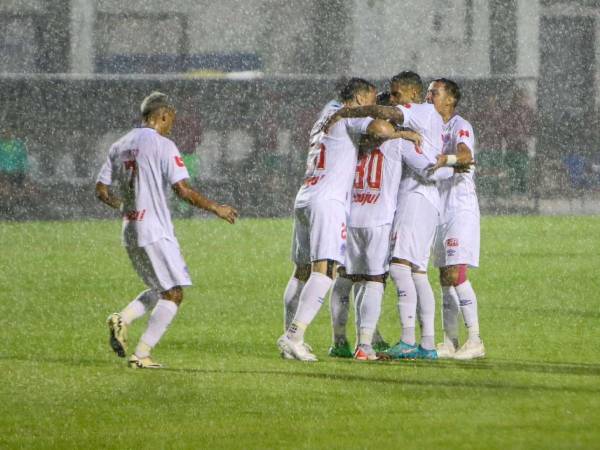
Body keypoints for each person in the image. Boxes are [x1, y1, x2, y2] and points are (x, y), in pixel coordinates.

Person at [96, 91, 238, 369]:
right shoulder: (163, 145)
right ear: (162, 115)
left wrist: (122, 204)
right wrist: (216, 208)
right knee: (174, 294)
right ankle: (141, 354)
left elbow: (101, 190)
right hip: (155, 229)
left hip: (130, 228)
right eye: (171, 118)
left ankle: (123, 319)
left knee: (160, 287)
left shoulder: (119, 145)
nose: (172, 123)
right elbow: (182, 190)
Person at [277, 78, 416, 361]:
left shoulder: (326, 113)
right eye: (371, 100)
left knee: (300, 272)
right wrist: (401, 134)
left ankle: (292, 340)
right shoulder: (351, 117)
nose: (374, 105)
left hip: (306, 196)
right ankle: (294, 336)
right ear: (360, 98)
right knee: (325, 271)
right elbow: (379, 128)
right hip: (328, 202)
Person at [326, 71, 450, 360]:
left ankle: (339, 341)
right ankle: (365, 345)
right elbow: (427, 168)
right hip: (378, 218)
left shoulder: (354, 139)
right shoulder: (398, 141)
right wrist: (451, 165)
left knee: (345, 278)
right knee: (375, 281)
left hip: (350, 214)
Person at [427, 79, 485, 359]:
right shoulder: (431, 126)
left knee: (456, 273)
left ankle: (475, 339)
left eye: (434, 92)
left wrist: (445, 160)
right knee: (444, 277)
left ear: (450, 99)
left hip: (459, 207)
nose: (429, 96)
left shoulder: (460, 124)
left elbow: (465, 156)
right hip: (439, 207)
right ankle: (449, 341)